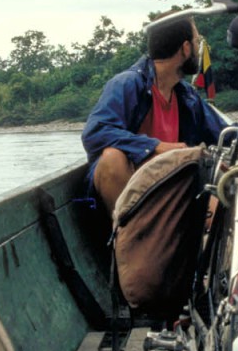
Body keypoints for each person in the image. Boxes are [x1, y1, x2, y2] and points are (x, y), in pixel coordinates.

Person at [81, 17, 227, 213]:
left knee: (224, 205)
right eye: (196, 41)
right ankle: (130, 238)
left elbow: (225, 133)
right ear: (185, 48)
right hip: (131, 198)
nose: (198, 48)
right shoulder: (128, 84)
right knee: (111, 159)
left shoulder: (186, 96)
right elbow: (96, 132)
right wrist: (156, 147)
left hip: (172, 191)